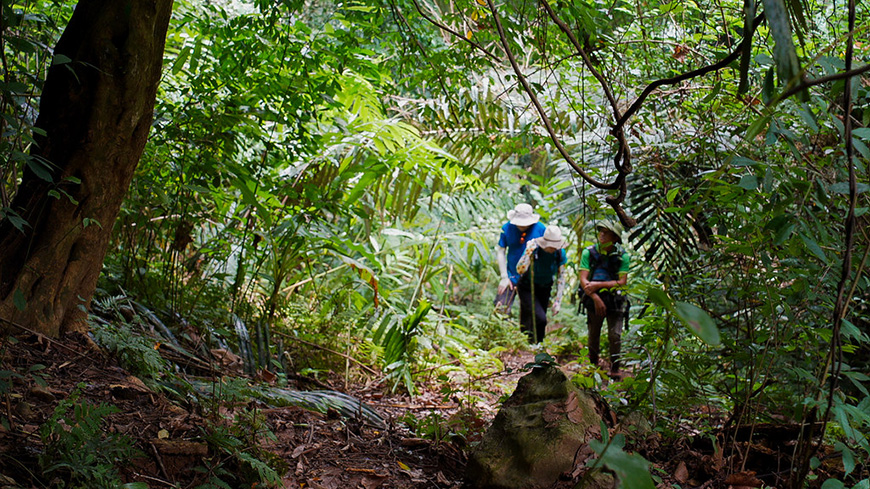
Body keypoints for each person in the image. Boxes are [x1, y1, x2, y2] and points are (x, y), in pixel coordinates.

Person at [578, 220, 630, 377]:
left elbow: (622, 282)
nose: (601, 234)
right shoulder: (589, 253)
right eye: (600, 231)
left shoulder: (622, 256)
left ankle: (615, 369)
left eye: (606, 232)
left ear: (614, 237)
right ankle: (593, 367)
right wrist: (595, 298)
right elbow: (584, 281)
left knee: (615, 335)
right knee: (594, 333)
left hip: (615, 301)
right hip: (593, 300)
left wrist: (598, 285)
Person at [515, 225, 568, 344]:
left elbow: (561, 277)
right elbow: (520, 270)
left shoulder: (560, 253)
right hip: (527, 286)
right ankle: (526, 344)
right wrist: (528, 252)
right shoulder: (535, 248)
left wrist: (557, 301)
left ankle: (538, 345)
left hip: (545, 287)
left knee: (539, 319)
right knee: (539, 317)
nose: (552, 248)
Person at [495, 203, 546, 312]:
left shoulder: (541, 229)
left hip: (532, 278)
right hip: (510, 276)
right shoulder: (507, 228)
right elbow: (501, 251)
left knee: (531, 313)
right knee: (500, 309)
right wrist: (504, 277)